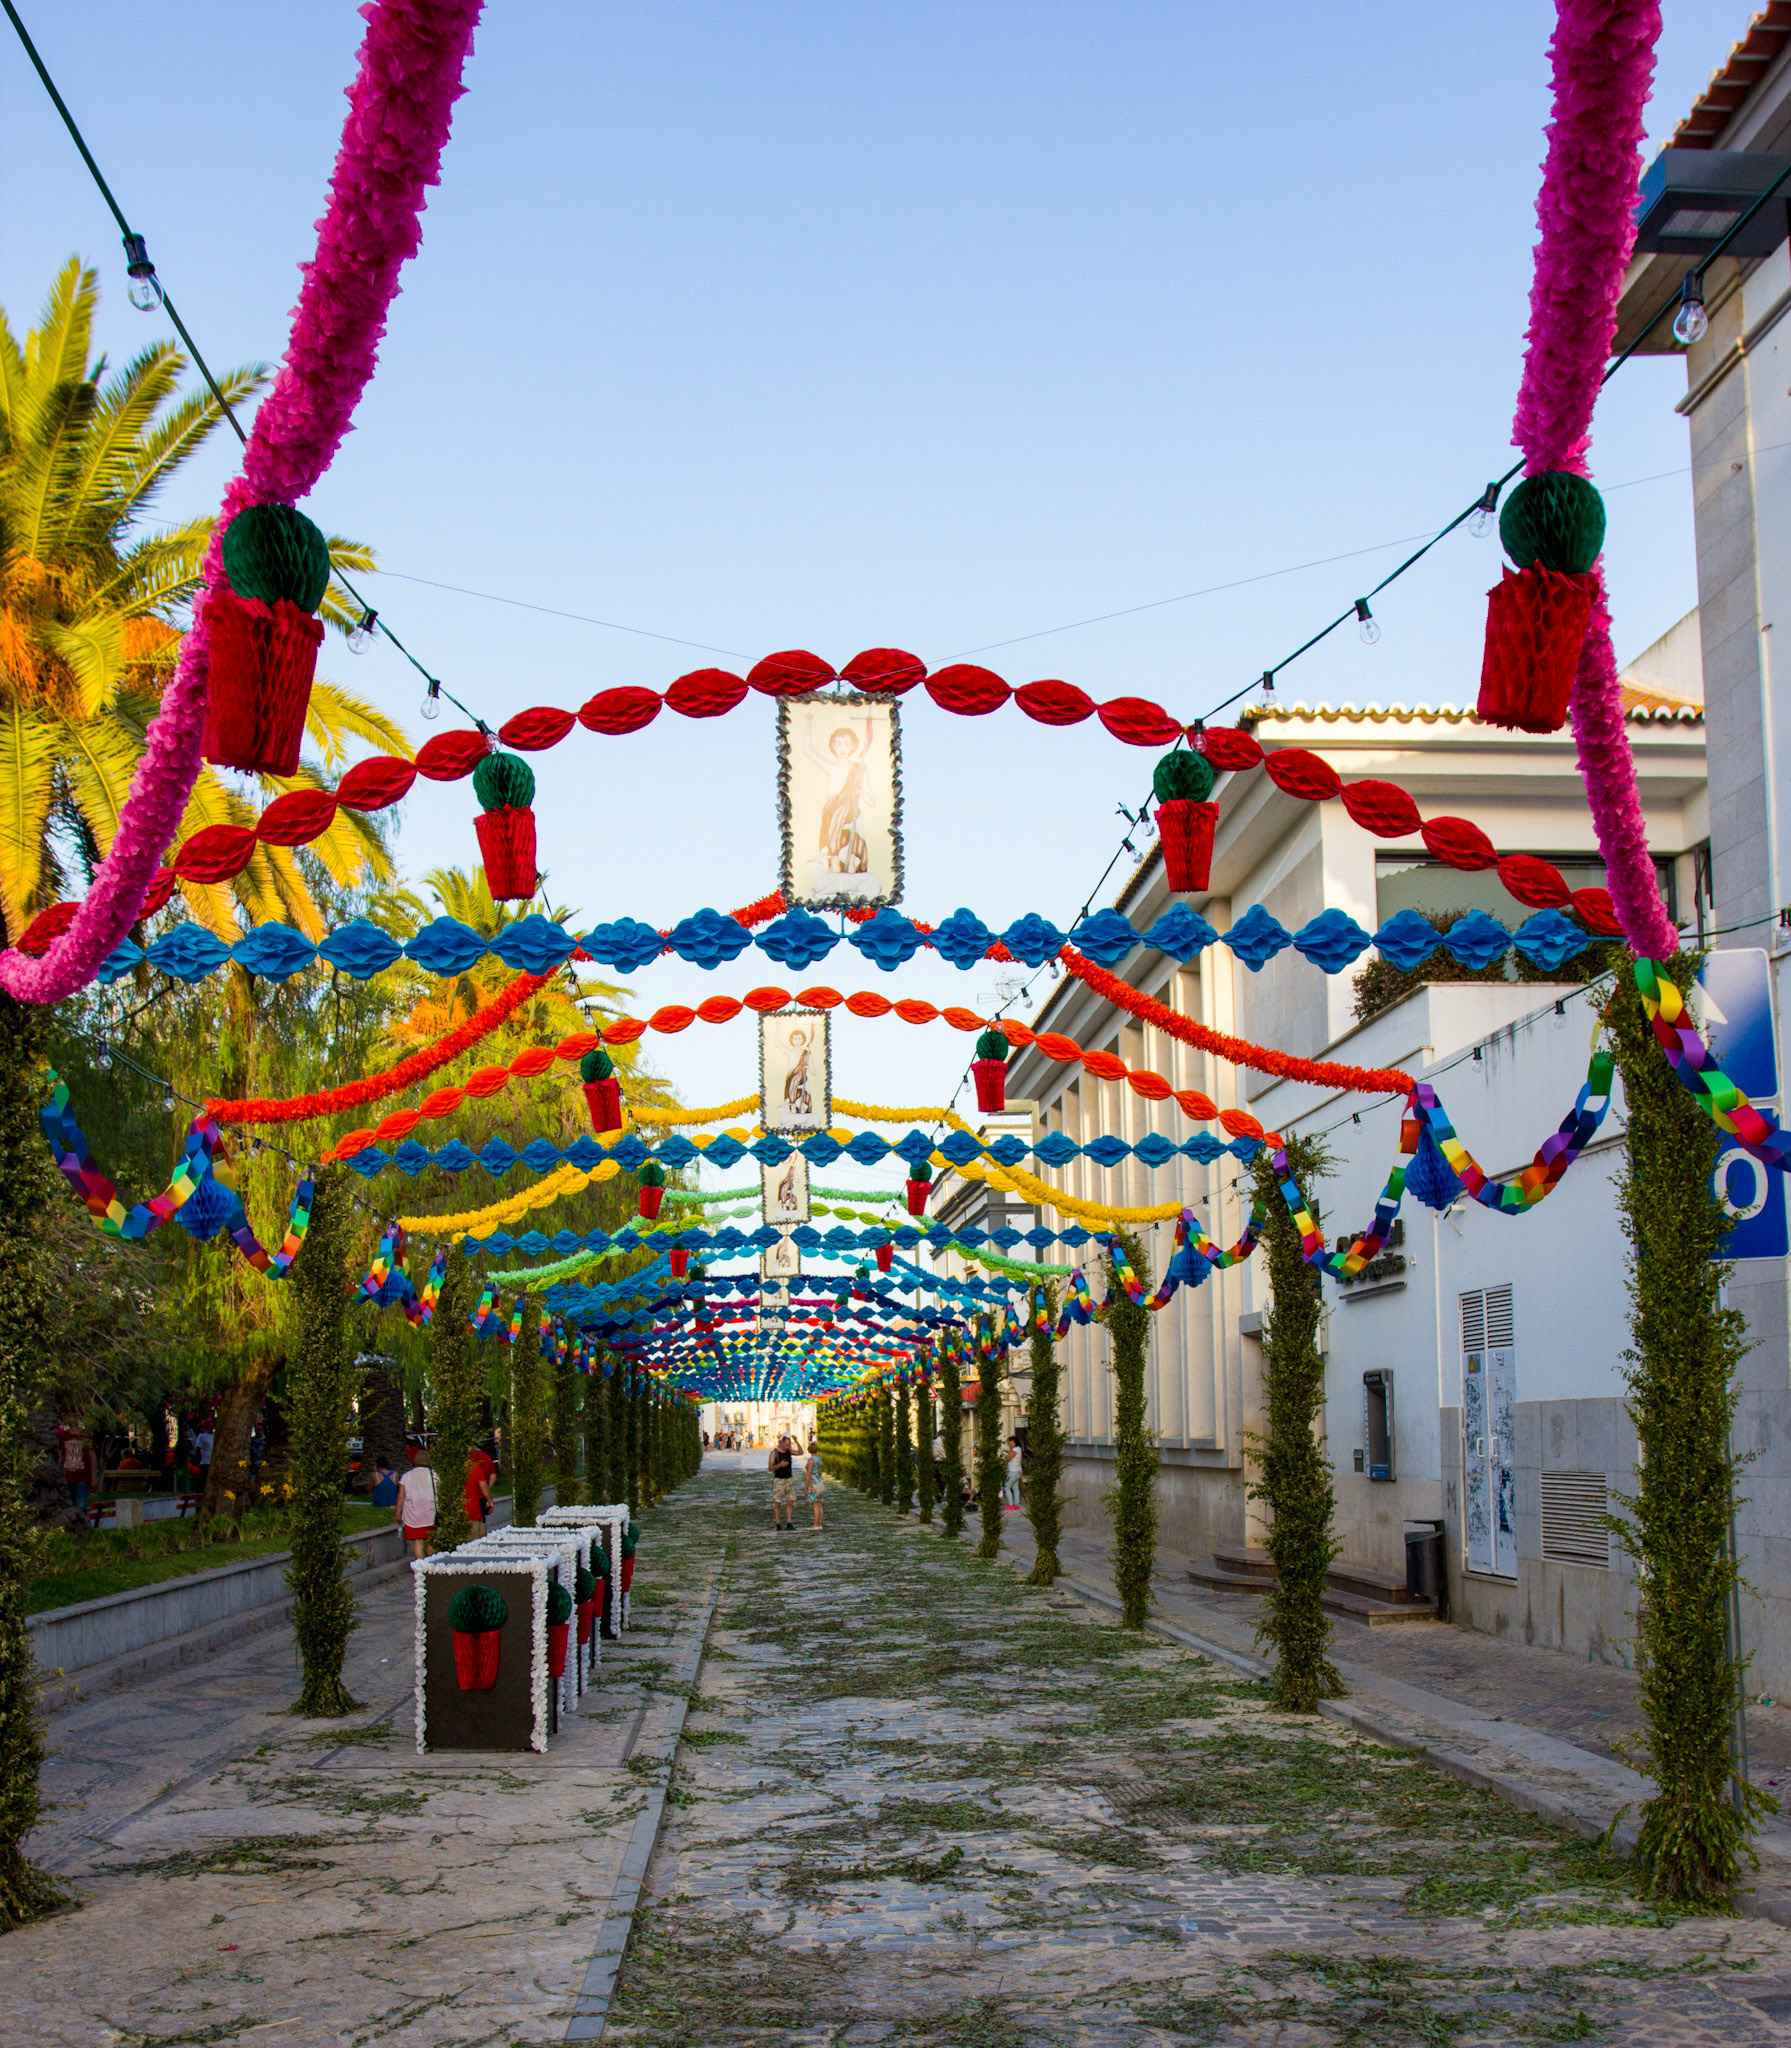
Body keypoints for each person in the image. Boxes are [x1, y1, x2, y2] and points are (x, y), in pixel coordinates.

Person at [395, 1449, 437, 1560]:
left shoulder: (406, 1476)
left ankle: (420, 1566)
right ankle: (431, 1566)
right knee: (430, 1540)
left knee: (418, 1541)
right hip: (430, 1513)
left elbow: (401, 1496)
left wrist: (398, 1513)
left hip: (412, 1514)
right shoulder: (434, 1475)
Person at [57, 1424, 96, 1517]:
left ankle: (81, 1525)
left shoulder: (86, 1436)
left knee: (80, 1505)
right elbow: (60, 1455)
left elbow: (92, 1456)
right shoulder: (63, 1436)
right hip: (67, 1476)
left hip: (82, 1476)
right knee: (68, 1503)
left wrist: (94, 1477)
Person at [465, 1441, 497, 1536]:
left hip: (468, 1495)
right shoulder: (486, 1457)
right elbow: (493, 1476)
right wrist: (488, 1490)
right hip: (482, 1495)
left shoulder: (468, 1460)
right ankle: (482, 1539)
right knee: (482, 1520)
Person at [768, 1433, 797, 1530]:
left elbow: (801, 1452)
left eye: (789, 1444)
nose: (788, 1446)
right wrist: (780, 1465)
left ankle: (789, 1522)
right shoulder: (774, 1453)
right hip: (779, 1480)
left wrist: (796, 1441)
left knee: (790, 1501)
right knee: (777, 1502)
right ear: (781, 1443)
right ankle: (778, 1524)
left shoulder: (789, 1451)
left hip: (789, 1479)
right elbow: (770, 1467)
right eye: (786, 1445)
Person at [803, 1440, 825, 1531]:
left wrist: (805, 1486)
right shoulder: (819, 1459)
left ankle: (815, 1524)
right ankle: (820, 1524)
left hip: (813, 1483)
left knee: (815, 1504)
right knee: (820, 1504)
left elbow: (809, 1474)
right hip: (819, 1482)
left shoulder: (811, 1461)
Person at [1002, 1435, 1023, 1509]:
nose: (1009, 1445)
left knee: (1007, 1487)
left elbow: (1009, 1457)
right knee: (1015, 1487)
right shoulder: (1018, 1449)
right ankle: (1017, 1504)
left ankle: (1010, 1505)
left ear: (1013, 1442)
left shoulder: (1016, 1449)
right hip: (1017, 1471)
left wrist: (1005, 1458)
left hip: (1013, 1471)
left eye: (1009, 1443)